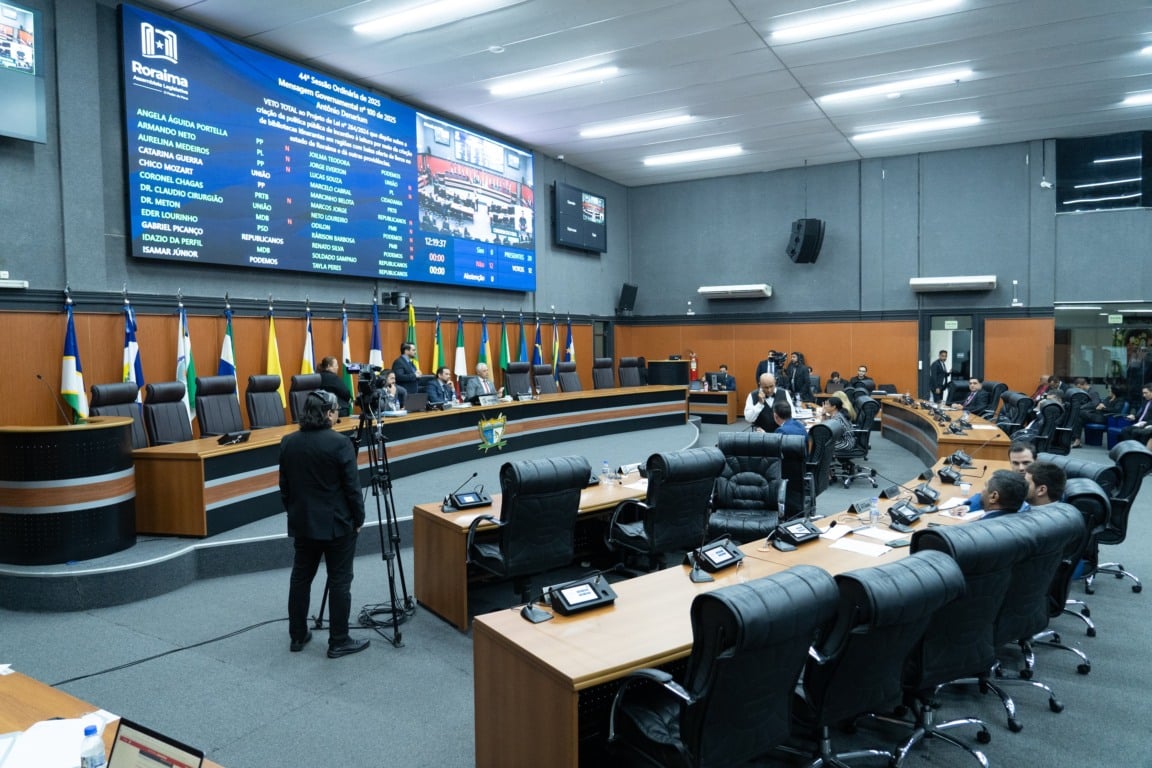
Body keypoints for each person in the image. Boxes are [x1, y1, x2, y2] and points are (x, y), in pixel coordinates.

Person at [279, 390, 369, 659]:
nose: (338, 413)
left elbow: (285, 488)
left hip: (303, 523)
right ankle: (338, 640)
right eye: (336, 410)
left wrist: (295, 512)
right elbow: (353, 488)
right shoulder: (340, 444)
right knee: (340, 580)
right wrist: (359, 519)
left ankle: (297, 635)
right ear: (328, 412)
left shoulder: (288, 442)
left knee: (301, 578)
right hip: (337, 525)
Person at [964, 439, 1036, 512]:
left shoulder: (1038, 486)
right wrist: (967, 507)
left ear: (1036, 461)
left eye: (1026, 463)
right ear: (1010, 463)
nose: (1021, 468)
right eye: (1015, 463)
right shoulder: (1011, 480)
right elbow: (986, 493)